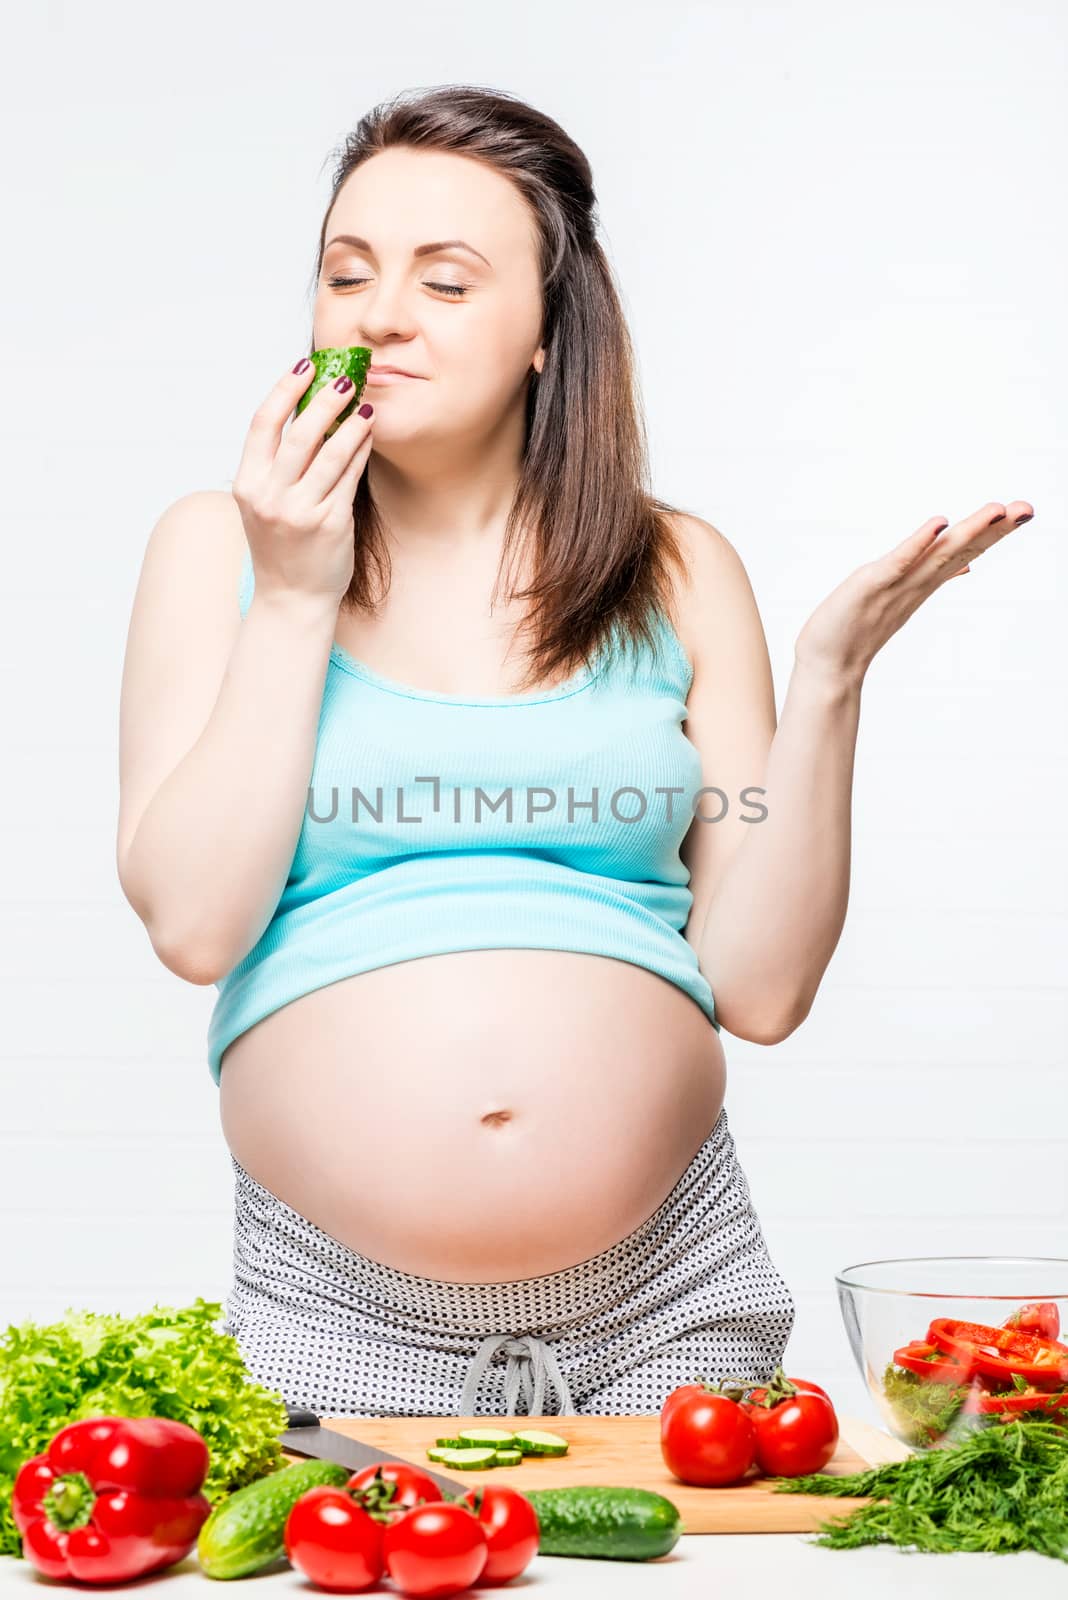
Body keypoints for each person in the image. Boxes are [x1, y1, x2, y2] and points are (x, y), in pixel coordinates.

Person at [116, 85, 1034, 1419]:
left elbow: (764, 992)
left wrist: (831, 680)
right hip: (336, 1309)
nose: (378, 315)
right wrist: (299, 593)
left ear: (552, 328)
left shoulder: (677, 568)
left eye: (446, 279)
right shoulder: (219, 551)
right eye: (347, 273)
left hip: (671, 1301)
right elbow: (197, 927)